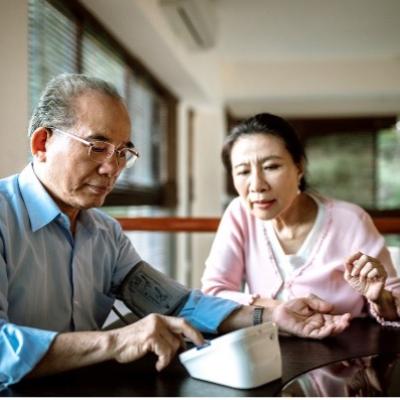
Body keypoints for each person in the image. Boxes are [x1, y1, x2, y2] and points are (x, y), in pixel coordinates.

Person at [0, 76, 350, 391]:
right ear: (42, 143)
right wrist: (116, 341)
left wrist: (275, 316)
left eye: (123, 152)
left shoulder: (104, 233)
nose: (112, 168)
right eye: (97, 146)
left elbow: (178, 304)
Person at [201, 112, 400, 326]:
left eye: (271, 167)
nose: (257, 184)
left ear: (299, 167)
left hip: (345, 351)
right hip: (268, 348)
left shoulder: (351, 220)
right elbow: (214, 293)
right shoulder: (239, 213)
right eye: (243, 171)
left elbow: (394, 307)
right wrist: (279, 310)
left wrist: (381, 298)